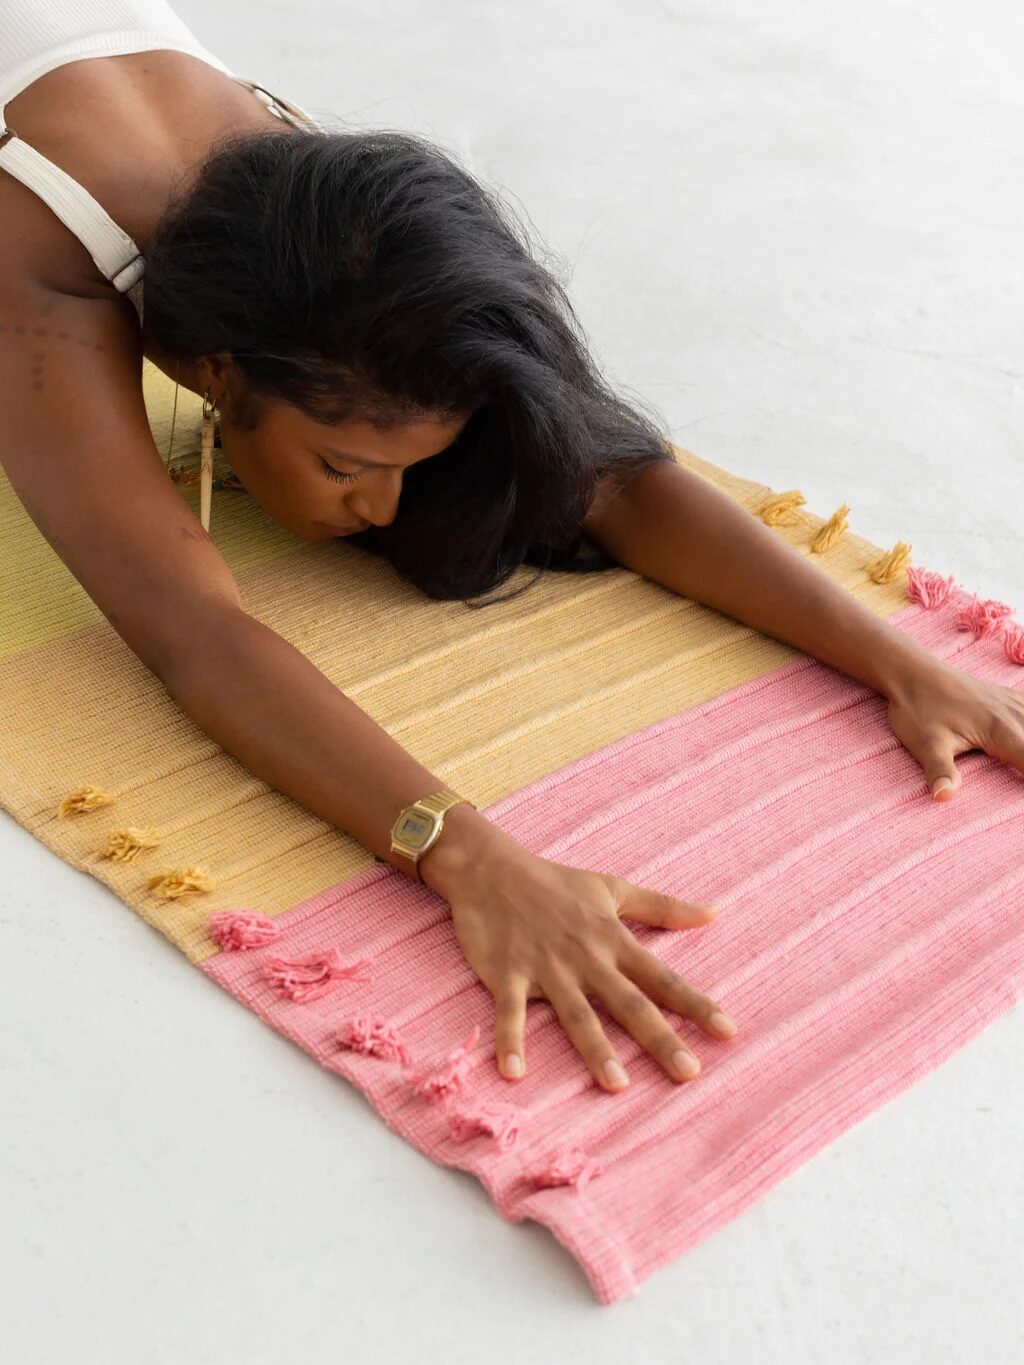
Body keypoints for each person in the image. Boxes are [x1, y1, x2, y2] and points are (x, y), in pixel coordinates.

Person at [5, 2, 1018, 1098]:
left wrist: (902, 665)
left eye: (401, 466)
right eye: (345, 466)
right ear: (214, 373)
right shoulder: (41, 272)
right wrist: (470, 857)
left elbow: (611, 473)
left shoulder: (332, 221)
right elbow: (194, 629)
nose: (387, 511)